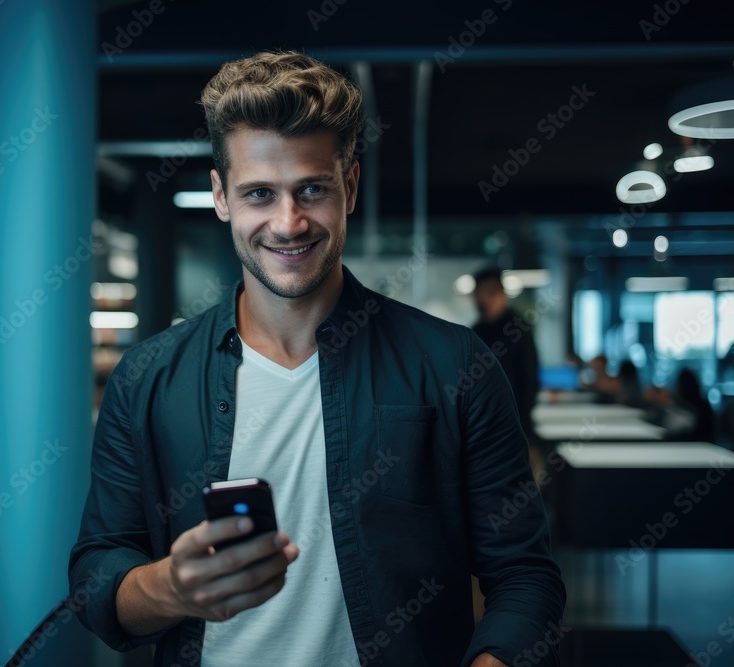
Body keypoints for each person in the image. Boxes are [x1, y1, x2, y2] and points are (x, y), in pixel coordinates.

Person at [70, 51, 564, 667]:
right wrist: (169, 588)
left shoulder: (455, 366)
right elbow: (98, 576)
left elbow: (525, 578)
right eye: (258, 194)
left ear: (349, 186)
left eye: (312, 189)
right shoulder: (146, 379)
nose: (288, 221)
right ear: (221, 197)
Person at [470, 268, 540, 441]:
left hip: (513, 423)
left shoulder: (518, 329)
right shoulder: (476, 331)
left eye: (481, 293)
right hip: (484, 425)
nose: (477, 299)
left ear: (498, 294)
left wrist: (521, 423)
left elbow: (529, 379)